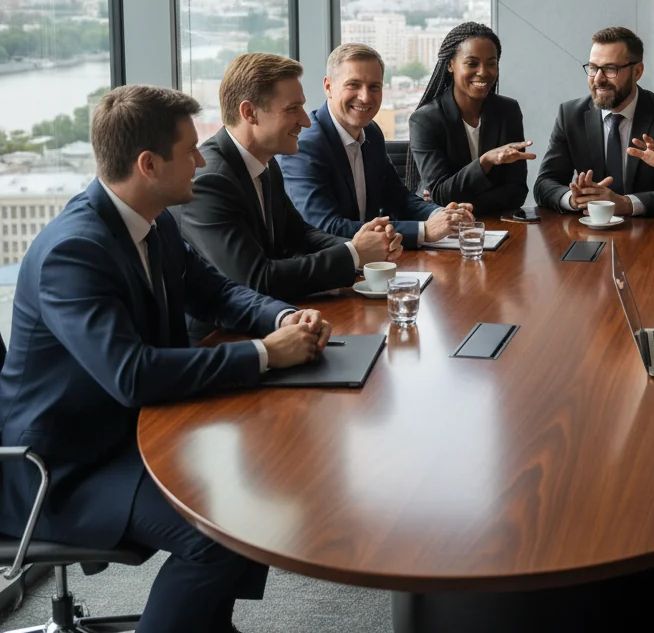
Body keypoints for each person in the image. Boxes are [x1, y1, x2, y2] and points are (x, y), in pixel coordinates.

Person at [0, 85, 332, 633]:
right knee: (225, 531)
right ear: (148, 164)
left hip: (128, 435)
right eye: (190, 151)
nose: (203, 160)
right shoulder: (74, 251)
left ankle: (202, 622)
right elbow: (131, 375)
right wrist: (263, 357)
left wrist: (280, 318)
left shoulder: (154, 223)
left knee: (258, 486)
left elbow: (219, 293)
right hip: (61, 470)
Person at [178, 53, 401, 305]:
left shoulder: (266, 162)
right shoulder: (211, 181)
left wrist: (366, 246)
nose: (306, 121)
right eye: (292, 109)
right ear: (249, 112)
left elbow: (300, 235)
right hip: (221, 336)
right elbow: (257, 279)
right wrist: (354, 254)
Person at [280, 43, 473, 247]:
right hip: (326, 268)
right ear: (328, 87)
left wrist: (443, 215)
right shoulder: (306, 146)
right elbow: (326, 227)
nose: (365, 97)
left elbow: (398, 197)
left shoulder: (371, 131)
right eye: (353, 85)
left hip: (373, 261)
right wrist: (424, 230)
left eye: (374, 86)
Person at [533, 27, 654, 217]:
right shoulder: (570, 115)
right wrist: (572, 198)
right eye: (593, 68)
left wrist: (627, 204)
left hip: (649, 232)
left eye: (611, 69)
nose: (598, 79)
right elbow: (544, 184)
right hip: (589, 233)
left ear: (637, 71)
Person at [407, 22, 532, 215]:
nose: (483, 71)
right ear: (450, 65)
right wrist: (485, 163)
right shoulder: (425, 120)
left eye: (491, 63)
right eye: (472, 63)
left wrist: (471, 205)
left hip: (493, 224)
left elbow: (516, 191)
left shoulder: (508, 111)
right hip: (440, 226)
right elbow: (441, 193)